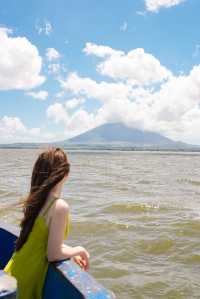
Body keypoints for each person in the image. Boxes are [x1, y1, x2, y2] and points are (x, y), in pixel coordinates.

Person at [4, 147, 90, 299]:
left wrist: (69, 250)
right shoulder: (59, 206)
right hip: (27, 278)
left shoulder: (36, 201)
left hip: (16, 269)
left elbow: (41, 241)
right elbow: (53, 254)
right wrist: (79, 249)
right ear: (66, 174)